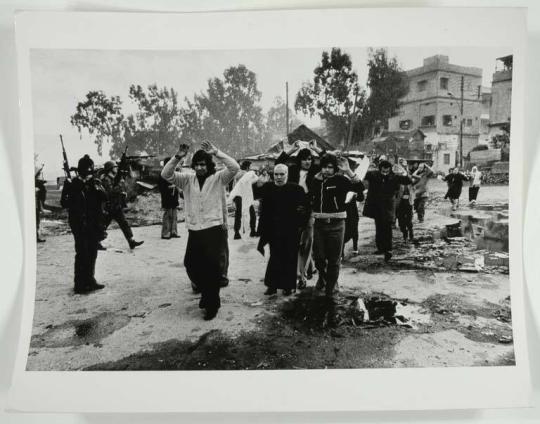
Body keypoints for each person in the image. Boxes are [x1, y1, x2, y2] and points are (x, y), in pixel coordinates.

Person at [161, 141, 239, 320]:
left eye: (203, 164)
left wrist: (216, 151)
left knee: (212, 269)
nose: (200, 167)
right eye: (196, 164)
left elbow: (234, 167)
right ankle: (207, 294)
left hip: (213, 229)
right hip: (195, 229)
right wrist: (178, 157)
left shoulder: (219, 178)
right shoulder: (187, 179)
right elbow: (166, 174)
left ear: (209, 164)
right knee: (191, 264)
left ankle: (212, 305)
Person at [310, 153, 360, 326]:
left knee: (334, 260)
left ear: (335, 168)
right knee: (318, 258)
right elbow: (311, 198)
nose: (327, 170)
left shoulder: (341, 180)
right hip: (319, 224)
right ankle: (325, 279)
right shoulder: (315, 180)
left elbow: (360, 188)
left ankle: (331, 290)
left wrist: (349, 171)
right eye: (324, 166)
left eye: (330, 167)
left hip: (337, 224)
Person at [275, 140, 322, 289]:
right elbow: (279, 162)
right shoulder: (293, 170)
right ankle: (306, 269)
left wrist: (315, 149)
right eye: (304, 159)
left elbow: (328, 161)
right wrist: (291, 150)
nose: (307, 162)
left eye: (309, 159)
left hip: (309, 209)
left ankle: (301, 275)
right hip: (293, 210)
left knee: (307, 243)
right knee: (294, 242)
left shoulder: (315, 171)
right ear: (299, 160)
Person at [60, 155, 108, 294]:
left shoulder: (95, 183)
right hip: (79, 223)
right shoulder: (71, 184)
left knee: (93, 251)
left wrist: (96, 187)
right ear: (80, 172)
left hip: (93, 223)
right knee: (82, 252)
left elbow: (105, 197)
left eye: (91, 172)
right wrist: (76, 190)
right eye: (87, 173)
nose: (89, 175)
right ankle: (79, 284)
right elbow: (64, 203)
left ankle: (90, 279)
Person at [257, 164, 306, 296]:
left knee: (290, 257)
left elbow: (303, 210)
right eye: (276, 174)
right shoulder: (268, 187)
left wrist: (300, 227)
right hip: (273, 229)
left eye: (282, 174)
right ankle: (272, 286)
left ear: (287, 174)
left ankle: (288, 286)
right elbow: (263, 208)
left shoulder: (296, 189)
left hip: (291, 230)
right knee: (275, 257)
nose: (279, 177)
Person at [363, 160, 413, 262]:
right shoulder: (373, 175)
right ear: (380, 169)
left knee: (387, 228)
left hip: (388, 207)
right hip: (376, 206)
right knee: (379, 227)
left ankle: (388, 250)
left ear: (390, 169)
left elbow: (408, 180)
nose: (385, 172)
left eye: (387, 171)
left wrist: (404, 170)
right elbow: (363, 175)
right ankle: (380, 248)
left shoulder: (394, 177)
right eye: (383, 171)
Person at [100, 161, 144, 250]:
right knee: (103, 225)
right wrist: (120, 185)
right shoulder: (106, 179)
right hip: (109, 207)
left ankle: (131, 241)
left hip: (116, 205)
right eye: (114, 167)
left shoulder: (113, 178)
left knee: (124, 223)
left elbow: (116, 190)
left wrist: (122, 192)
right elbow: (110, 192)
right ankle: (96, 242)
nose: (116, 168)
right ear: (110, 169)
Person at [230, 161, 258, 240]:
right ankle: (252, 230)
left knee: (238, 214)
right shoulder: (247, 175)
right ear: (247, 167)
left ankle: (236, 233)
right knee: (252, 213)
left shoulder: (237, 174)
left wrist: (233, 198)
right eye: (250, 167)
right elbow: (255, 180)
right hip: (245, 196)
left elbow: (233, 186)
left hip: (238, 196)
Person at [394, 159, 416, 242]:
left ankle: (411, 234)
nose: (403, 167)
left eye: (404, 165)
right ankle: (405, 233)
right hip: (400, 203)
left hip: (409, 202)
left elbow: (413, 183)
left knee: (409, 221)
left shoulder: (409, 176)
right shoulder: (397, 178)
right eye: (401, 165)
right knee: (401, 222)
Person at [158, 157, 180, 239]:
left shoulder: (174, 173)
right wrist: (170, 187)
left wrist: (176, 186)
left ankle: (174, 232)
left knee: (174, 215)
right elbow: (161, 188)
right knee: (167, 215)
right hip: (167, 198)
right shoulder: (162, 175)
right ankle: (165, 233)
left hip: (174, 198)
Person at [343, 182, 365, 256]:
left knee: (354, 228)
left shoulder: (355, 182)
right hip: (341, 209)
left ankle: (355, 248)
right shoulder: (340, 181)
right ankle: (341, 251)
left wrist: (358, 193)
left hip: (352, 211)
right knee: (343, 230)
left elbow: (361, 198)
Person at [35, 166, 47, 243]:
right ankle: (36, 237)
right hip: (35, 205)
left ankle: (36, 237)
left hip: (36, 205)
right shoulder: (36, 183)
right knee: (36, 221)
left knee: (37, 221)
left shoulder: (37, 183)